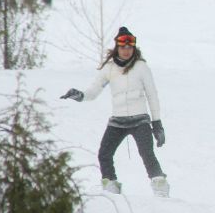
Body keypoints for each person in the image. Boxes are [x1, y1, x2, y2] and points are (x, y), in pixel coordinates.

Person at [60, 27, 169, 197]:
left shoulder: (141, 67)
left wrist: (157, 124)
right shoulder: (109, 69)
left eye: (130, 47)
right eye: (123, 47)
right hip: (118, 122)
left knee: (147, 153)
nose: (126, 51)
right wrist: (80, 95)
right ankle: (111, 188)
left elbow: (152, 96)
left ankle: (160, 187)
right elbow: (94, 91)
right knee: (104, 154)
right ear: (117, 48)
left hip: (140, 119)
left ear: (134, 48)